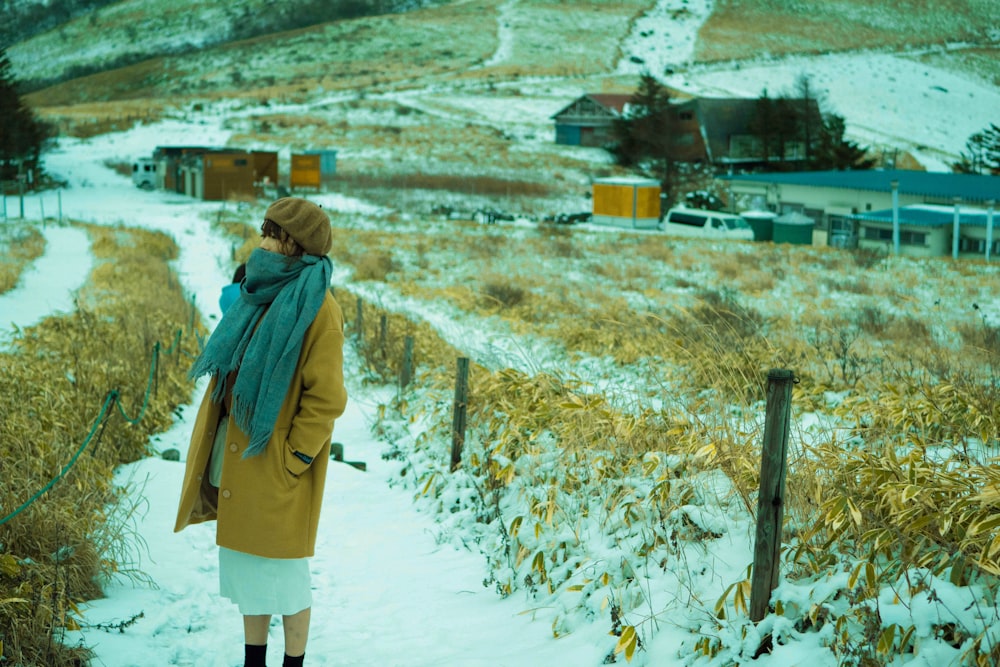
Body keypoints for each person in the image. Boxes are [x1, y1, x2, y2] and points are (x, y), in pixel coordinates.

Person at [175, 197, 347, 667]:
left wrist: (296, 459)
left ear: (295, 244)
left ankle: (293, 663)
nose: (263, 241)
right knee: (250, 571)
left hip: (275, 464)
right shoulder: (259, 292)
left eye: (272, 233)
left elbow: (326, 399)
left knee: (287, 579)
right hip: (239, 457)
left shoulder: (318, 307)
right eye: (265, 231)